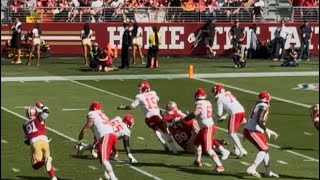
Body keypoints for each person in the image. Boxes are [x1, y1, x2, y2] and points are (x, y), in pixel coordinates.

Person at [117, 80, 177, 154]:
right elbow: (157, 99)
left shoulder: (139, 97)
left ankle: (162, 141)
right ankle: (174, 150)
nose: (139, 89)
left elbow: (131, 106)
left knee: (155, 129)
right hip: (157, 115)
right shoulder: (153, 93)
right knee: (165, 132)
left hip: (148, 118)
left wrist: (122, 107)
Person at [163, 101, 230, 160]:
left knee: (204, 140)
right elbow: (167, 119)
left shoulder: (175, 118)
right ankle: (218, 146)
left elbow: (191, 123)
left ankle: (219, 148)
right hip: (187, 142)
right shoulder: (174, 117)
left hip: (188, 143)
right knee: (204, 140)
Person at [178, 88, 224, 172]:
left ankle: (220, 166)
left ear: (196, 95)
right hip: (206, 126)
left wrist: (185, 119)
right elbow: (201, 114)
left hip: (207, 127)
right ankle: (197, 161)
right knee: (196, 143)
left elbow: (196, 113)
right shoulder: (207, 102)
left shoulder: (199, 103)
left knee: (208, 149)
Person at [78, 101, 118, 180]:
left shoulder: (92, 114)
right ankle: (107, 176)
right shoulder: (103, 114)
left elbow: (89, 124)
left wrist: (81, 134)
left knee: (104, 160)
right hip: (112, 135)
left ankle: (113, 178)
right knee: (102, 158)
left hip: (106, 136)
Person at [243, 91, 279, 178]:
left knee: (265, 149)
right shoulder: (263, 106)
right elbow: (259, 120)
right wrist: (267, 130)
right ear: (267, 98)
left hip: (252, 130)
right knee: (264, 150)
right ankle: (253, 167)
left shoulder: (259, 104)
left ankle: (268, 171)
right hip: (253, 131)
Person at [22, 102, 58, 180]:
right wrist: (41, 105)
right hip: (45, 141)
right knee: (47, 161)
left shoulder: (25, 124)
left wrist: (32, 144)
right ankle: (53, 177)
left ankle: (45, 162)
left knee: (35, 165)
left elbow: (25, 140)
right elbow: (47, 111)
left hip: (35, 142)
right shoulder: (39, 117)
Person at [212, 84, 247, 158]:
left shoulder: (219, 98)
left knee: (231, 133)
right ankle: (236, 150)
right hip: (241, 111)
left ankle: (241, 150)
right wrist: (225, 116)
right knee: (234, 133)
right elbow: (230, 106)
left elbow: (219, 113)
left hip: (235, 113)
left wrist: (212, 117)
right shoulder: (227, 94)